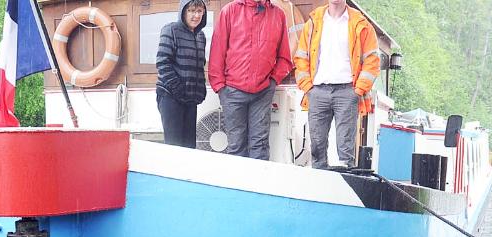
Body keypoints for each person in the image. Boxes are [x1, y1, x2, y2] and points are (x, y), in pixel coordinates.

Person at [293, 0, 381, 169]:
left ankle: (344, 186)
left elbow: (372, 60)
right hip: (317, 91)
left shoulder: (361, 24)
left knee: (345, 148)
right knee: (317, 147)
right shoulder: (313, 21)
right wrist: (308, 87)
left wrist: (358, 90)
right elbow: (301, 56)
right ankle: (318, 186)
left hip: (347, 91)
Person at [208, 0, 293, 160]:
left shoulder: (278, 15)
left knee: (260, 146)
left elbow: (284, 57)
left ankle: (259, 185)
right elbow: (217, 51)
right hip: (232, 91)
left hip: (263, 92)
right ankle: (237, 184)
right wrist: (220, 87)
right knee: (236, 146)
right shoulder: (229, 11)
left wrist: (273, 81)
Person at [156, 0, 208, 148]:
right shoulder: (170, 30)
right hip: (170, 97)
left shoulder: (201, 36)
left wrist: (200, 90)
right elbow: (162, 62)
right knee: (174, 147)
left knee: (189, 147)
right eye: (191, 11)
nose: (195, 15)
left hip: (190, 99)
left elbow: (200, 65)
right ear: (183, 11)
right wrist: (178, 89)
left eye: (199, 11)